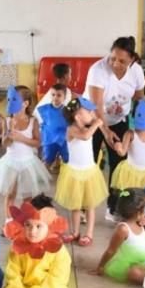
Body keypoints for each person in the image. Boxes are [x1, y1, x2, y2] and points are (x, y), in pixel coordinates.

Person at [84, 37, 145, 218]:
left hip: (119, 121)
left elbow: (140, 96)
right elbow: (96, 107)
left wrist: (139, 122)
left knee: (119, 165)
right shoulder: (98, 70)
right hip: (92, 120)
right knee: (89, 162)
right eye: (113, 58)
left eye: (122, 61)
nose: (115, 64)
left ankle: (113, 206)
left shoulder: (136, 71)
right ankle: (84, 205)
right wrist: (105, 131)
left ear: (132, 60)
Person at [0, 86, 50, 221]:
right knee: (10, 194)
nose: (10, 102)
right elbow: (5, 144)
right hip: (11, 162)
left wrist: (22, 138)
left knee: (27, 196)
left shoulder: (33, 121)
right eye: (9, 99)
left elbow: (38, 143)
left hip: (27, 162)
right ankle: (9, 222)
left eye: (14, 99)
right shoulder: (7, 121)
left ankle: (26, 221)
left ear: (25, 103)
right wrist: (10, 132)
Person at [55, 97, 108, 246]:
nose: (92, 113)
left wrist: (96, 123)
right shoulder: (71, 129)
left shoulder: (87, 127)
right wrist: (97, 123)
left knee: (90, 205)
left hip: (89, 172)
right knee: (75, 205)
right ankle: (75, 232)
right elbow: (85, 137)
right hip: (74, 174)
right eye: (88, 111)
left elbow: (88, 133)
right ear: (77, 116)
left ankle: (89, 234)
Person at [90, 188, 145, 283]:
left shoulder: (140, 223)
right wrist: (100, 267)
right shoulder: (123, 229)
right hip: (138, 263)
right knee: (134, 272)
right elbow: (111, 250)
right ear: (138, 214)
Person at [36, 83, 69, 170]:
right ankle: (43, 177)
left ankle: (68, 179)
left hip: (63, 139)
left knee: (68, 161)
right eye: (53, 95)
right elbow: (38, 122)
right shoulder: (43, 109)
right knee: (47, 160)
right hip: (49, 140)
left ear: (64, 97)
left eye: (59, 95)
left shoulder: (67, 110)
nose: (55, 97)